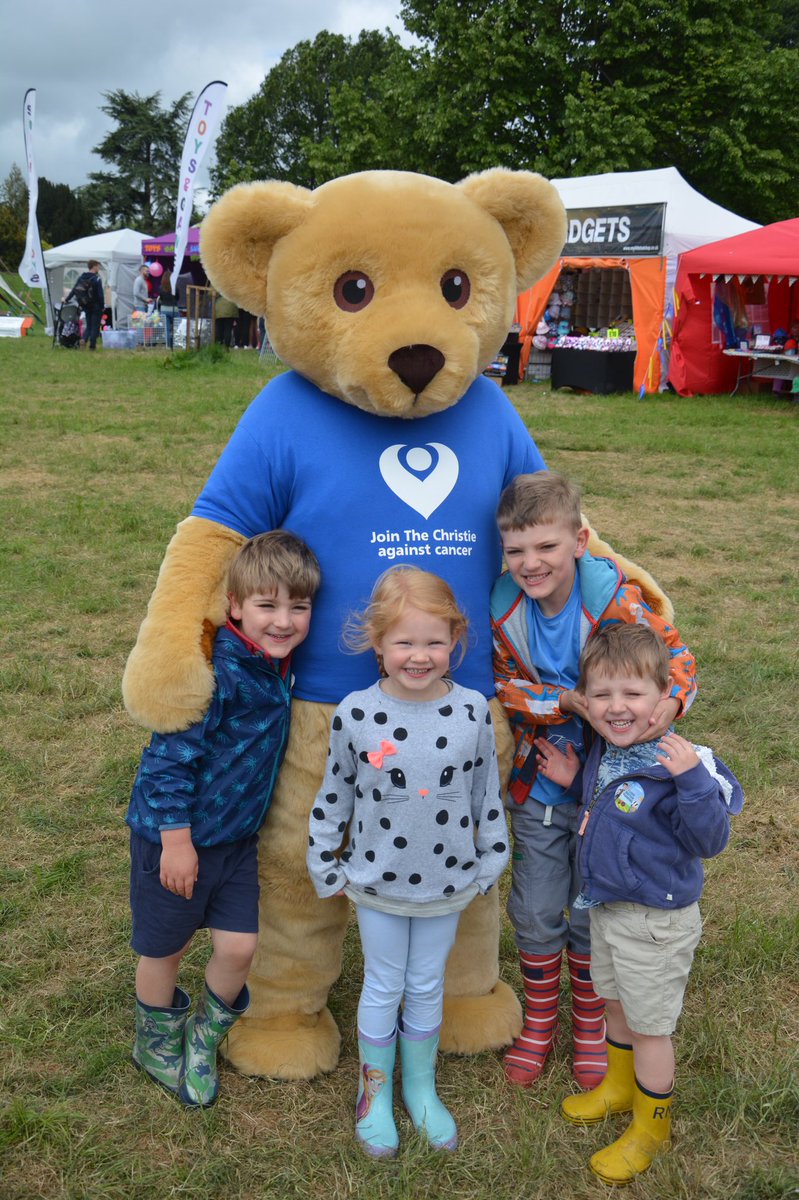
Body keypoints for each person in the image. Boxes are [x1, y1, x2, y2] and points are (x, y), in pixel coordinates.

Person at [490, 471, 697, 1091]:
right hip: (543, 783)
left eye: (546, 546)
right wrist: (569, 704)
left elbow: (677, 661)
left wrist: (672, 705)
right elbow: (500, 683)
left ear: (579, 541)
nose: (531, 563)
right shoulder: (502, 607)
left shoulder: (616, 599)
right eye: (516, 549)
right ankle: (537, 1024)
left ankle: (587, 1025)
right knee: (533, 906)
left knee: (593, 907)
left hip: (613, 792)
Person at [307, 567, 510, 1158]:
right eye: (404, 642)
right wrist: (327, 862)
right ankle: (374, 1093)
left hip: (449, 882)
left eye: (433, 642)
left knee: (425, 984)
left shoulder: (472, 711)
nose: (419, 656)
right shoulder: (355, 712)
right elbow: (335, 793)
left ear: (455, 642)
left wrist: (491, 855)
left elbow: (484, 795)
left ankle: (420, 1087)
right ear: (377, 643)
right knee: (383, 983)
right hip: (377, 885)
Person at [534, 624, 743, 1186]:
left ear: (664, 700)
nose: (616, 707)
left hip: (655, 921)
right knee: (615, 1005)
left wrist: (694, 783)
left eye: (632, 694)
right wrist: (577, 777)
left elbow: (711, 841)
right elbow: (614, 806)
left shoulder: (681, 762)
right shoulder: (608, 750)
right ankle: (619, 1087)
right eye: (601, 696)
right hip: (607, 908)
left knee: (651, 1028)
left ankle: (652, 1127)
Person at [126, 530, 321, 1107]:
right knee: (165, 948)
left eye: (298, 607)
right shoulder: (214, 671)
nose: (283, 621)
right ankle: (155, 1040)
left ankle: (205, 1038)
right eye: (267, 605)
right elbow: (167, 763)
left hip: (235, 841)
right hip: (175, 839)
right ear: (234, 606)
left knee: (238, 947)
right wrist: (176, 842)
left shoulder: (278, 663)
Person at [66, 259, 104, 350]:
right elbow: (100, 295)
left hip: (85, 305)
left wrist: (67, 299)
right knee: (95, 326)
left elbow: (74, 290)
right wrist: (102, 306)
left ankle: (84, 339)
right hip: (96, 306)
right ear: (94, 266)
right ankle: (92, 346)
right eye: (98, 266)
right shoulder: (97, 279)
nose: (99, 268)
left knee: (89, 325)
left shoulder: (81, 277)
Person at [158, 267, 179, 349]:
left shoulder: (160, 288)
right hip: (174, 309)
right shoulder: (175, 288)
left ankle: (168, 346)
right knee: (176, 327)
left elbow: (161, 298)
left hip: (164, 309)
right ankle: (176, 344)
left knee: (166, 329)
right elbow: (178, 298)